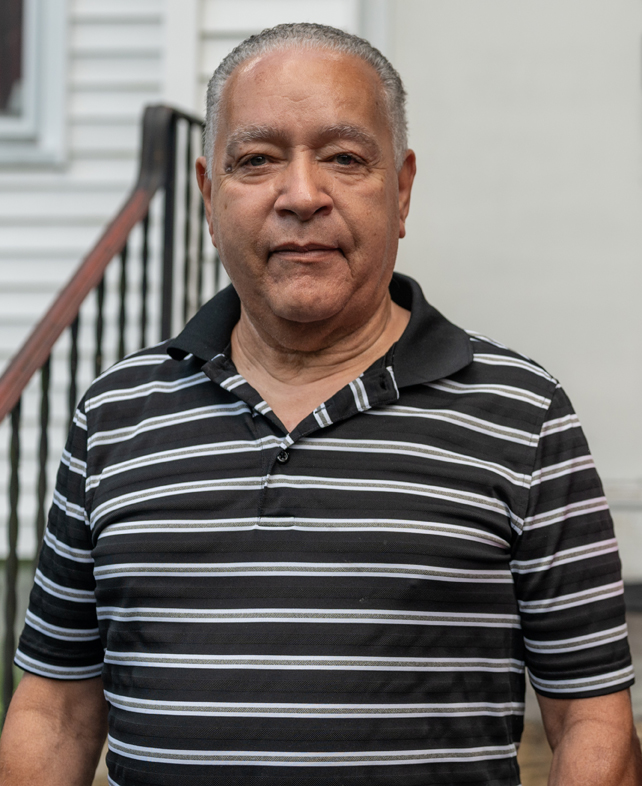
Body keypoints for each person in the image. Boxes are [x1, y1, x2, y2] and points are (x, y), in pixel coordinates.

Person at [0, 22, 640, 786]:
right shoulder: (115, 416)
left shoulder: (523, 415)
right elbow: (56, 712)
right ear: (207, 193)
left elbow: (593, 722)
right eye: (257, 160)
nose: (302, 196)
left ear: (401, 188)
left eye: (343, 157)